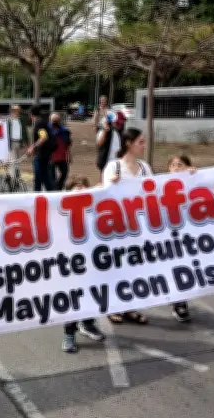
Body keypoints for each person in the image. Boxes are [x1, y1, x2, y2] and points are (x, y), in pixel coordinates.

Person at [101, 127, 150, 325]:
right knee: (116, 268)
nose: (144, 146)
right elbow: (103, 197)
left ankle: (129, 307)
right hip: (117, 228)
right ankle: (113, 307)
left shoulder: (145, 168)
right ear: (128, 144)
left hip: (138, 228)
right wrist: (112, 186)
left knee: (134, 268)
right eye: (141, 142)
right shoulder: (114, 167)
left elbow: (155, 193)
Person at [60, 175, 107, 352]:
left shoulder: (93, 208)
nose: (80, 189)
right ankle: (69, 333)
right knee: (73, 299)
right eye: (76, 186)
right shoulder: (61, 210)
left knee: (93, 294)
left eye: (83, 186)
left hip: (93, 261)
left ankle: (87, 324)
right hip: (72, 263)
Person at [167, 154, 198, 322]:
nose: (177, 168)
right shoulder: (160, 185)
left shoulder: (192, 182)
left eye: (180, 165)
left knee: (185, 269)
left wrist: (195, 176)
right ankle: (176, 301)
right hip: (167, 235)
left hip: (187, 234)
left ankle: (180, 302)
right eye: (173, 165)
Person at [27, 106, 57, 192]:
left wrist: (33, 147)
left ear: (31, 115)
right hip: (43, 154)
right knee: (38, 178)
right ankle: (37, 194)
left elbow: (43, 137)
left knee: (44, 177)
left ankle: (51, 195)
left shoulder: (39, 124)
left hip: (42, 155)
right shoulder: (44, 122)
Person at [96, 111, 125, 183]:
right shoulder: (105, 130)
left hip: (118, 162)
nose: (121, 125)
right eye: (118, 123)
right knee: (104, 182)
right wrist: (105, 131)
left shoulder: (120, 132)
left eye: (122, 123)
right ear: (113, 121)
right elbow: (99, 143)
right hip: (106, 161)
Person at [49, 112, 72, 190]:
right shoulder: (47, 131)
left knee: (65, 173)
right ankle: (54, 191)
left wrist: (69, 155)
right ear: (50, 120)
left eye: (56, 120)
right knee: (52, 177)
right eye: (53, 120)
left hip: (62, 157)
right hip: (50, 157)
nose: (55, 122)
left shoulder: (65, 131)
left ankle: (58, 187)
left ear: (59, 120)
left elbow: (67, 144)